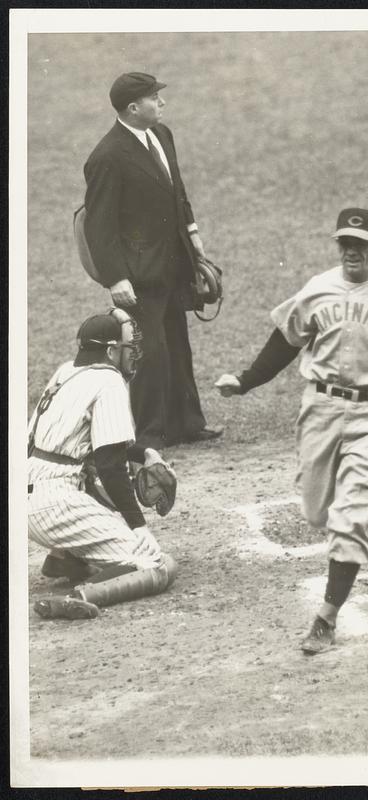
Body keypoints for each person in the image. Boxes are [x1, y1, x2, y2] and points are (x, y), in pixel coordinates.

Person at [215, 208, 368, 653]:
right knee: (317, 511)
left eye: (360, 244)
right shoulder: (318, 288)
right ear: (337, 245)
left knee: (350, 516)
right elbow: (286, 339)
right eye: (345, 243)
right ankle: (340, 540)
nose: (352, 252)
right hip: (320, 409)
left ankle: (326, 617)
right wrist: (245, 381)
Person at [83, 71, 223, 448]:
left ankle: (187, 424)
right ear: (133, 107)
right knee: (151, 352)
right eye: (154, 98)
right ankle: (147, 435)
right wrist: (116, 279)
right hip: (139, 273)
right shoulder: (107, 156)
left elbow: (177, 190)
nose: (161, 103)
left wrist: (193, 236)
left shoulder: (161, 135)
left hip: (174, 263)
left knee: (177, 344)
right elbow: (99, 226)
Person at [28, 308, 177, 620]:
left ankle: (66, 558)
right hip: (56, 502)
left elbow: (98, 446)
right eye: (127, 347)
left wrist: (146, 453)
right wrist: (139, 526)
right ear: (111, 350)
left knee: (90, 483)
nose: (133, 353)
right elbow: (109, 466)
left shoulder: (66, 371)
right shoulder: (109, 380)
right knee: (155, 565)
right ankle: (77, 596)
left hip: (28, 494)